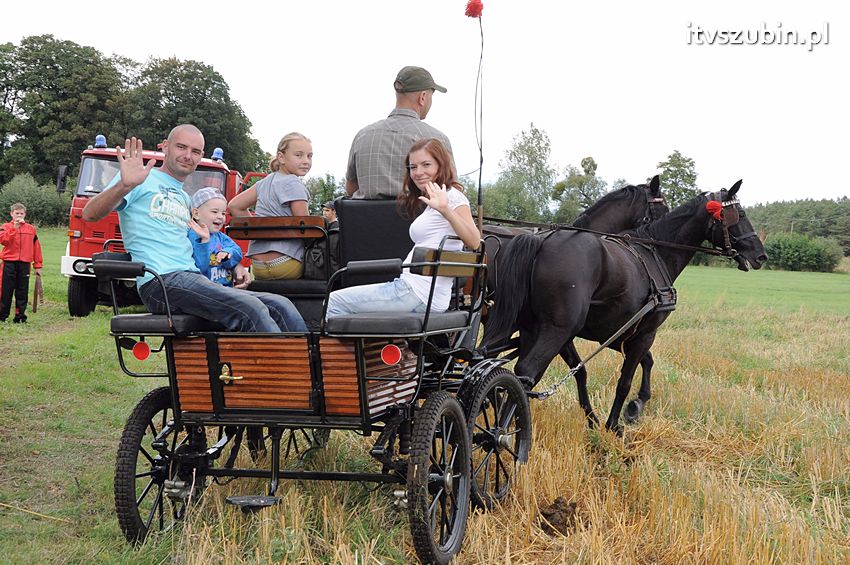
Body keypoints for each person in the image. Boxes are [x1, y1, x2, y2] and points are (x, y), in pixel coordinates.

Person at [81, 125, 306, 333]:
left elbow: (206, 243)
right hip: (160, 281)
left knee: (280, 304)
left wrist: (236, 265)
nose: (188, 156)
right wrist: (124, 185)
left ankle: (310, 371)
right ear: (165, 147)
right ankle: (278, 374)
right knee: (251, 309)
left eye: (196, 151)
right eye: (181, 147)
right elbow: (90, 214)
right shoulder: (138, 181)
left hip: (192, 277)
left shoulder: (184, 198)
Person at [326, 138, 479, 317]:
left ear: (441, 165)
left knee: (333, 302)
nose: (418, 172)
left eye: (426, 164)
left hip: (417, 294)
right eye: (413, 167)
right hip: (411, 289)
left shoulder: (452, 197)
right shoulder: (435, 200)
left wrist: (445, 209)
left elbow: (475, 241)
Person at [345, 66, 453, 199]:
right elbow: (453, 190)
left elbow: (351, 188)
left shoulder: (362, 136)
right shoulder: (437, 139)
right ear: (423, 97)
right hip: (420, 217)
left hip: (366, 219)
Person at [228, 132, 312, 280]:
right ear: (281, 157)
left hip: (258, 267)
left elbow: (234, 205)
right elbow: (305, 227)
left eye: (309, 156)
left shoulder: (263, 183)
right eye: (299, 155)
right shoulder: (294, 183)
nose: (306, 161)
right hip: (286, 264)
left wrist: (256, 229)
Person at [188, 187, 245, 287]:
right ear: (196, 214)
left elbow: (237, 252)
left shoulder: (221, 237)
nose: (220, 216)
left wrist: (227, 253)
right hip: (207, 291)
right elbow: (200, 267)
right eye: (214, 212)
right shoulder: (192, 237)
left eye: (223, 213)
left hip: (227, 288)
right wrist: (204, 241)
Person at [0, 203, 43, 323]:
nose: (19, 215)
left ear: (25, 214)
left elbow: (36, 248)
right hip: (9, 263)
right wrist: (15, 228)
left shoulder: (31, 229)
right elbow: (4, 241)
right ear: (11, 214)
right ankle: (2, 316)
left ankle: (19, 316)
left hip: (24, 264)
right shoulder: (6, 227)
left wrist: (38, 265)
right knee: (5, 291)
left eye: (21, 213)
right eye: (16, 213)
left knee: (22, 291)